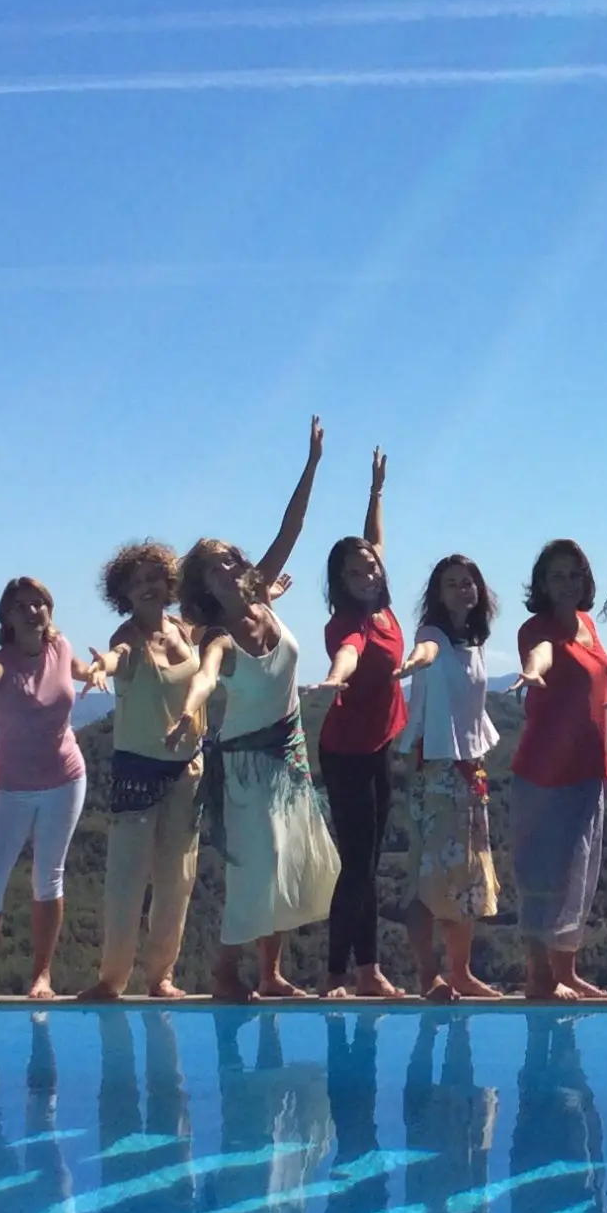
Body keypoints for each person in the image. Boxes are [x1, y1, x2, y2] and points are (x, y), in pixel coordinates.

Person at [177, 419, 340, 1000]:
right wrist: (188, 711)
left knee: (287, 861)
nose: (228, 567)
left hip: (289, 755)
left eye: (230, 559)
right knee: (254, 868)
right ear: (202, 584)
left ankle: (271, 973)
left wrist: (312, 463)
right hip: (246, 766)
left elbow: (292, 526)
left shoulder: (263, 595)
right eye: (214, 565)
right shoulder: (216, 634)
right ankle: (226, 972)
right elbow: (206, 676)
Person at [0, 576, 99, 1000]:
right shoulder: (1, 663)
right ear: (7, 617)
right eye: (21, 605)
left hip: (66, 778)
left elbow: (77, 669)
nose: (31, 611)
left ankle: (41, 976)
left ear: (49, 609)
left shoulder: (60, 647)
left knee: (49, 878)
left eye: (38, 603)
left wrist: (96, 671)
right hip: (11, 786)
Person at [79, 542, 224, 1002]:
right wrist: (99, 668)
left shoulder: (183, 628)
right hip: (138, 774)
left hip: (188, 771)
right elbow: (117, 657)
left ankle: (161, 976)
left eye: (154, 578)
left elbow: (224, 623)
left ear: (169, 583)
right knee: (126, 881)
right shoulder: (127, 637)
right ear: (123, 593)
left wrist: (264, 597)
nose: (148, 587)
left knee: (176, 881)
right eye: (138, 582)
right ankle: (112, 979)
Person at [311, 448, 408, 998]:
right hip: (345, 753)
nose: (367, 573)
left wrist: (376, 490)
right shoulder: (348, 624)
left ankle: (368, 970)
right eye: (355, 571)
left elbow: (374, 542)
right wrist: (335, 676)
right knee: (355, 865)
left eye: (370, 567)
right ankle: (335, 974)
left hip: (378, 745)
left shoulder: (383, 608)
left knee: (369, 862)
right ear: (340, 581)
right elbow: (348, 652)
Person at [510, 539, 607, 1001]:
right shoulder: (537, 629)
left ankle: (565, 972)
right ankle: (539, 976)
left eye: (574, 574)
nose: (567, 583)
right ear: (543, 583)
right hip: (544, 772)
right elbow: (542, 653)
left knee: (579, 874)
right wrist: (533, 671)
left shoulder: (588, 624)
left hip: (590, 768)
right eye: (557, 576)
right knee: (542, 874)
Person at [400, 553, 503, 999]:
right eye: (452, 583)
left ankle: (460, 972)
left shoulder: (474, 641)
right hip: (437, 774)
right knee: (429, 878)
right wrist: (412, 663)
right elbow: (426, 651)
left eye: (468, 582)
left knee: (467, 877)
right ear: (438, 595)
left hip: (469, 773)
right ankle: (429, 975)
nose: (462, 590)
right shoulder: (432, 635)